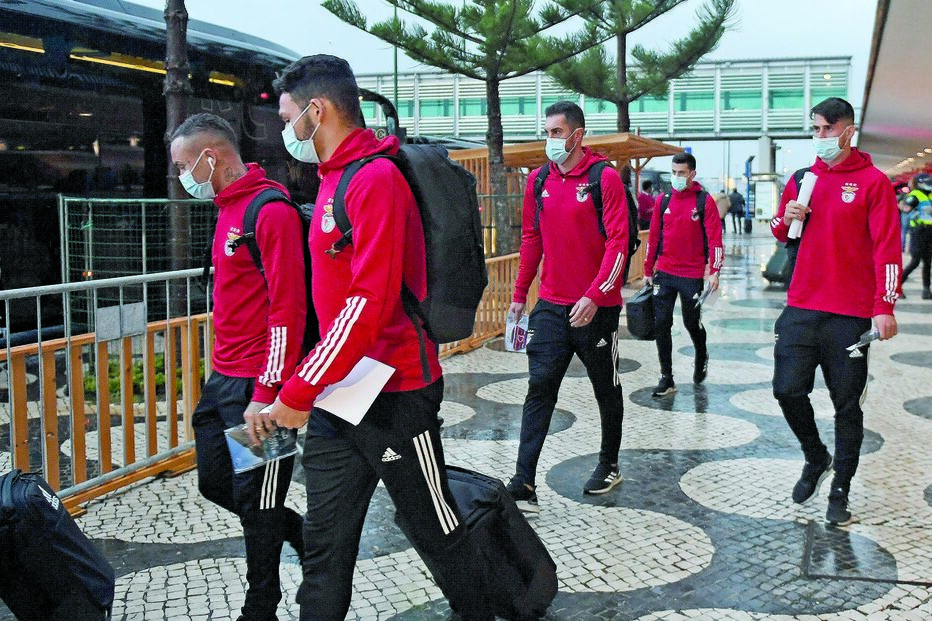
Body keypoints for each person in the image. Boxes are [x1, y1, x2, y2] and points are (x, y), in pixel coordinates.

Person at [265, 55, 493, 621]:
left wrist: (296, 390)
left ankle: (481, 609)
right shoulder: (332, 180)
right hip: (340, 394)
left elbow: (367, 304)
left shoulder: (375, 179)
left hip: (397, 393)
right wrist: (308, 385)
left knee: (433, 525)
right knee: (325, 541)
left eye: (287, 115)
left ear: (316, 111)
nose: (284, 129)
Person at [169, 113, 307, 621]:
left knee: (260, 499)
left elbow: (287, 310)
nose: (182, 177)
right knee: (216, 482)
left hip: (259, 387)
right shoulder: (226, 209)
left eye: (185, 165)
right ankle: (303, 534)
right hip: (224, 380)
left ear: (212, 157)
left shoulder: (269, 212)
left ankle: (261, 604)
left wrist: (268, 392)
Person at [770, 97, 901, 526]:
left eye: (828, 129)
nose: (820, 137)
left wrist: (885, 306)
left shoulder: (873, 182)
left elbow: (887, 248)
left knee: (847, 406)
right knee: (787, 390)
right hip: (802, 306)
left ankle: (840, 491)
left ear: (848, 131)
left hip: (849, 315)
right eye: (816, 129)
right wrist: (786, 217)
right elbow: (781, 232)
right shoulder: (802, 178)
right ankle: (815, 456)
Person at [506, 101, 629, 513]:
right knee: (539, 389)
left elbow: (618, 243)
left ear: (578, 135)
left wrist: (595, 295)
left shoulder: (604, 178)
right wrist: (520, 294)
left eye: (557, 132)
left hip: (596, 308)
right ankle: (523, 481)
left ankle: (609, 463)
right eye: (548, 131)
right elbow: (531, 240)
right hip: (551, 307)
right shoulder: (538, 179)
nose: (550, 139)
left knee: (605, 389)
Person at [643, 152, 724, 397]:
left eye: (681, 173)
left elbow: (715, 239)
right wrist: (648, 268)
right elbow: (653, 236)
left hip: (691, 275)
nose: (677, 177)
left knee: (691, 323)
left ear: (692, 174)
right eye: (674, 172)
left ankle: (701, 353)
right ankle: (666, 376)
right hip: (665, 273)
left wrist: (714, 271)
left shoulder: (704, 201)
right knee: (661, 324)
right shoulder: (663, 201)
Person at [901, 173, 932, 298]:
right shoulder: (915, 195)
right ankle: (897, 287)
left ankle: (926, 290)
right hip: (918, 231)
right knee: (915, 261)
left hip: (930, 231)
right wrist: (913, 210)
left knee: (928, 262)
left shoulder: (930, 195)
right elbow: (905, 209)